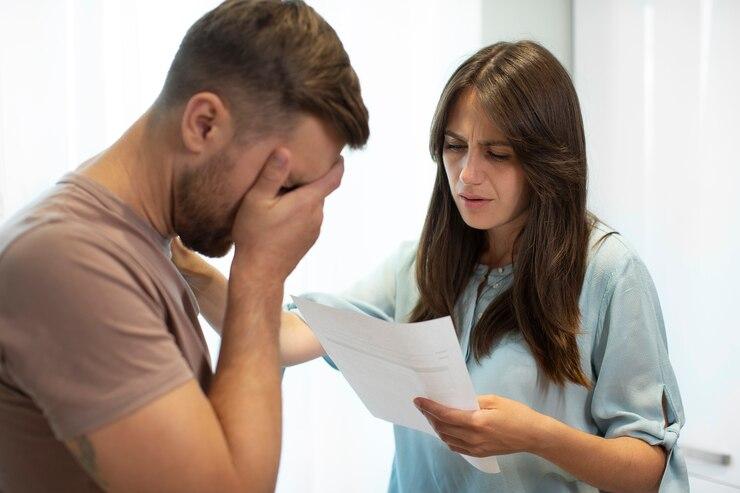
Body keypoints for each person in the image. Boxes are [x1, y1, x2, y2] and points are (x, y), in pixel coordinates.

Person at [176, 40, 690, 492]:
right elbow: (280, 338)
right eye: (455, 147)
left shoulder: (609, 273)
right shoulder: (421, 264)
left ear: (547, 159)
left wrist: (535, 436)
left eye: (499, 154)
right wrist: (188, 267)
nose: (467, 174)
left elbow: (648, 469)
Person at [0, 1, 369, 491]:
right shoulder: (69, 259)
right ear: (203, 125)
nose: (277, 212)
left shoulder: (149, 241)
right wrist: (259, 274)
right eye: (281, 184)